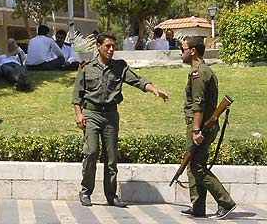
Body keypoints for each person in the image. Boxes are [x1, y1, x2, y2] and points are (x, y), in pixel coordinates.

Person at [72, 32, 169, 208]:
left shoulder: (119, 67)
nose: (111, 49)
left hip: (110, 115)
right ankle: (86, 191)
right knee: (91, 152)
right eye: (107, 46)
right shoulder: (86, 67)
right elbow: (77, 95)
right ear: (98, 47)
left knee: (111, 157)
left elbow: (137, 80)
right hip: (91, 114)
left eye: (113, 46)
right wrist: (79, 114)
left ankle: (111, 195)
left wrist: (153, 89)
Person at [179, 36, 236, 219]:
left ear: (193, 51)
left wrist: (196, 130)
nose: (181, 53)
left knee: (197, 166)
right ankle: (198, 206)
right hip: (201, 125)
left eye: (183, 49)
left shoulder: (199, 73)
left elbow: (199, 105)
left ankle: (225, 202)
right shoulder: (202, 71)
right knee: (193, 165)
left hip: (201, 127)